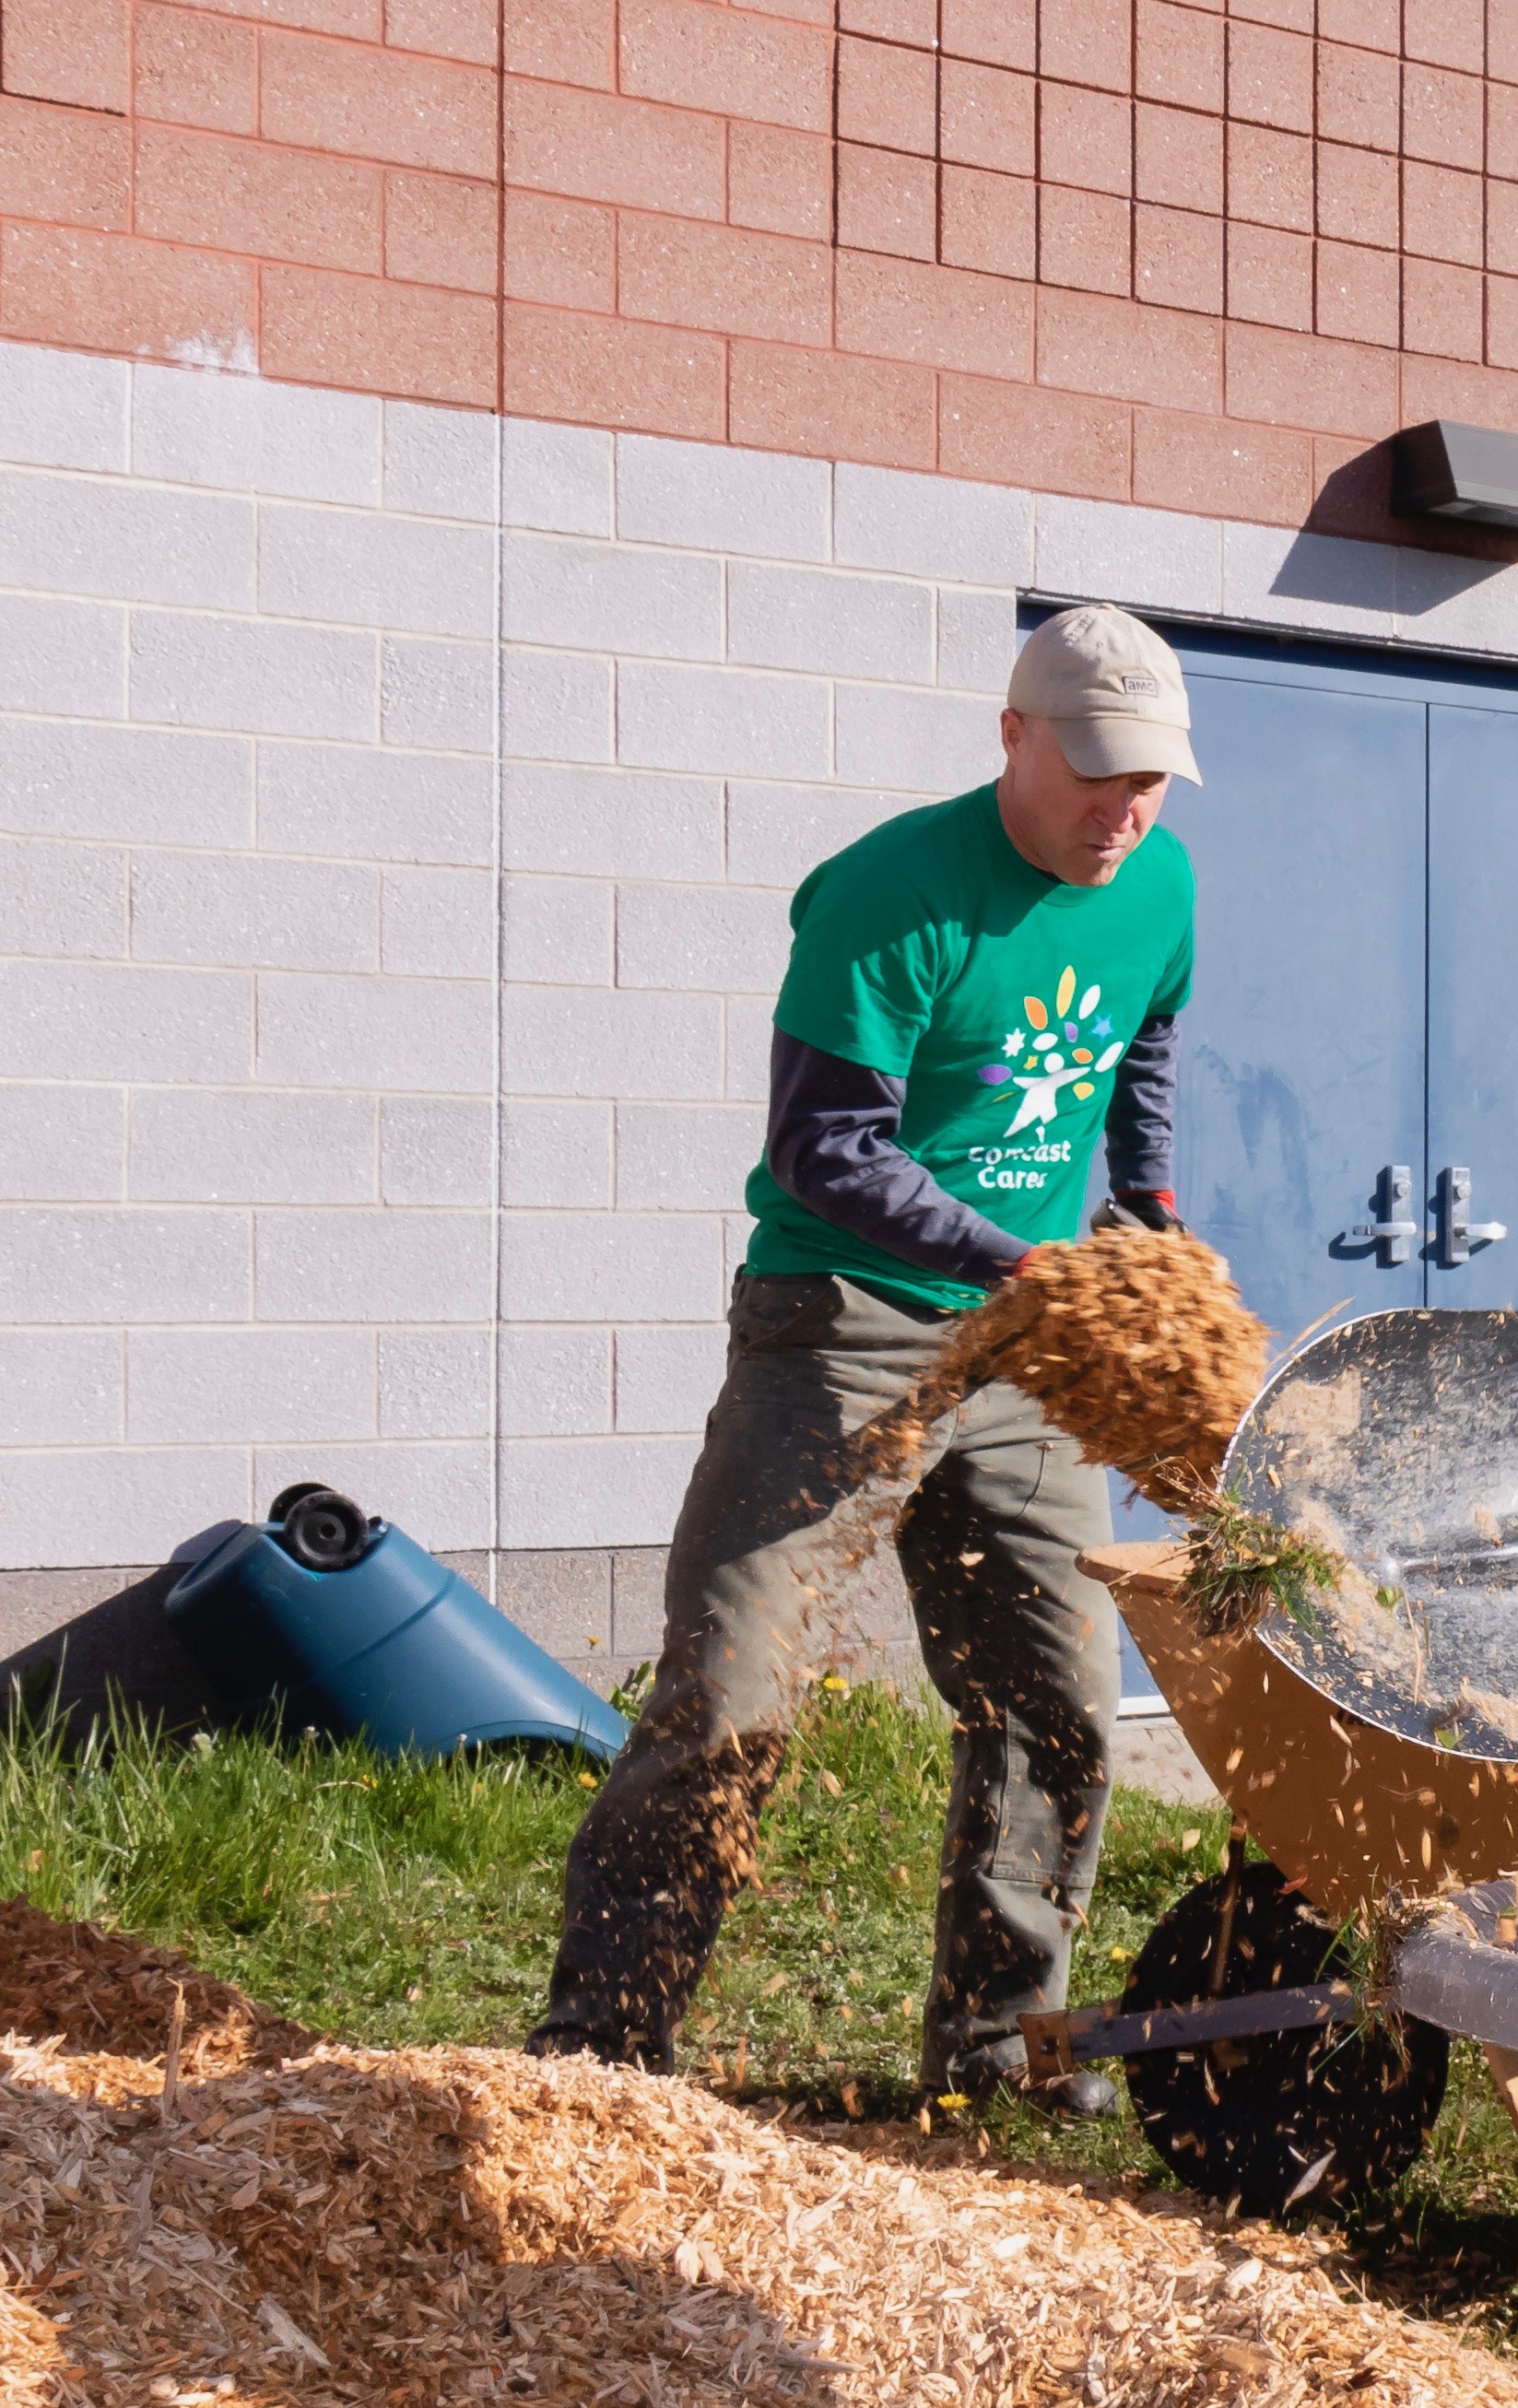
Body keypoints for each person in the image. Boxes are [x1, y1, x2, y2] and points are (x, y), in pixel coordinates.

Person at [532, 603, 1203, 2111]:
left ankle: (999, 2043)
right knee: (733, 1691)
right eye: (1095, 772)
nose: (1124, 809)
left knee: (1059, 1702)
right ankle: (600, 2048)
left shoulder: (1158, 879)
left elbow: (1142, 1043)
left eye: (1150, 779)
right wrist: (1025, 1262)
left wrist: (1143, 1206)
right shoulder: (893, 896)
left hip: (1027, 1344)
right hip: (842, 1320)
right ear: (1014, 737)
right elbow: (828, 1150)